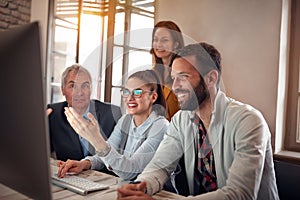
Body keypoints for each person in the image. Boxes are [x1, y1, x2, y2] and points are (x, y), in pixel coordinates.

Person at [117, 43, 279, 199]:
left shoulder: (248, 121)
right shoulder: (181, 120)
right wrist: (140, 187)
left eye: (183, 77)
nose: (175, 87)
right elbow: (160, 167)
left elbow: (240, 194)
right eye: (174, 78)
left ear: (211, 79)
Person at [57, 70, 169, 181]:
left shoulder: (160, 126)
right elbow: (106, 155)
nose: (129, 98)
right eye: (126, 92)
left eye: (137, 92)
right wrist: (84, 164)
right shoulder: (126, 120)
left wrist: (96, 139)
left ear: (153, 97)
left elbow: (131, 171)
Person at [47, 64, 122, 161]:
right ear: (63, 90)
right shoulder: (53, 114)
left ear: (91, 89)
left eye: (85, 86)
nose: (79, 93)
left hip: (103, 174)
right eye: (72, 86)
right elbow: (41, 152)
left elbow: (120, 156)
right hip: (68, 173)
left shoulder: (112, 113)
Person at [151, 20, 184, 121]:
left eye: (164, 40)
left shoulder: (184, 73)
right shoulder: (152, 74)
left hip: (179, 132)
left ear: (176, 44)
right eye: (155, 40)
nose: (159, 45)